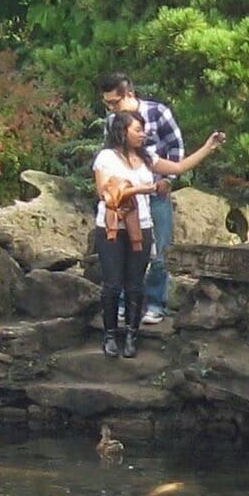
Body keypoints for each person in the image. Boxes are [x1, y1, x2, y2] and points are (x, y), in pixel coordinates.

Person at [94, 110, 225, 358]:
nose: (143, 134)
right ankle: (110, 334)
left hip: (140, 226)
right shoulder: (106, 158)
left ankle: (132, 334)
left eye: (143, 129)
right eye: (137, 130)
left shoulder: (146, 157)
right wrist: (143, 189)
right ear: (122, 132)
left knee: (135, 283)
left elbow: (178, 166)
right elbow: (105, 193)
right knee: (112, 284)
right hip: (111, 227)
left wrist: (209, 147)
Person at [97, 72, 191, 322]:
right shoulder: (112, 122)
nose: (111, 108)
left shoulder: (158, 113)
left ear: (129, 94)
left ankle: (155, 303)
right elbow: (108, 156)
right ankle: (121, 305)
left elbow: (176, 148)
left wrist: (167, 181)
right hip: (126, 199)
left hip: (156, 191)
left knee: (160, 249)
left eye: (115, 102)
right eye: (107, 104)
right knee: (123, 249)